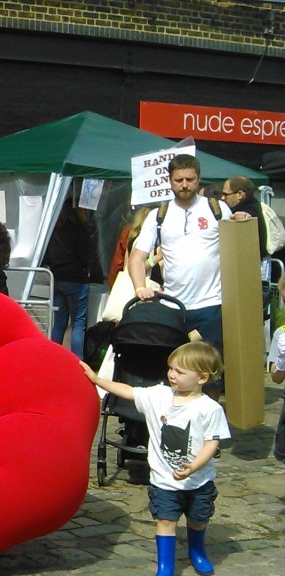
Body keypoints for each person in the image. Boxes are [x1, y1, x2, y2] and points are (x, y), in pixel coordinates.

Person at [80, 341, 230, 576]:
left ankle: (197, 551)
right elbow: (129, 391)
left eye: (180, 371)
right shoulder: (159, 396)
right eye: (171, 368)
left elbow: (212, 443)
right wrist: (98, 380)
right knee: (165, 520)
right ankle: (165, 566)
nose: (172, 374)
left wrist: (194, 466)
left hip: (199, 480)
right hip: (164, 480)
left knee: (198, 519)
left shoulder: (209, 409)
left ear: (202, 378)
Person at [129, 154, 244, 402]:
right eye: (178, 180)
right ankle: (176, 416)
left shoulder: (216, 208)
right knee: (174, 371)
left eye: (189, 179)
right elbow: (137, 257)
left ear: (199, 178)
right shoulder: (158, 215)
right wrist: (140, 287)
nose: (184, 185)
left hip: (211, 304)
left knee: (210, 372)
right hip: (173, 306)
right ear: (169, 181)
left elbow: (238, 243)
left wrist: (242, 221)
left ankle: (208, 418)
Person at [44, 201, 96, 359]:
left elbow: (46, 257)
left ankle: (52, 357)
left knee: (59, 322)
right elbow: (87, 256)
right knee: (78, 323)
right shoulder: (80, 231)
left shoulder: (54, 231)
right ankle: (77, 361)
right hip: (76, 280)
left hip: (57, 278)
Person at [221, 175, 269, 260]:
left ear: (240, 194)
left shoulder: (245, 214)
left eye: (226, 194)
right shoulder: (254, 206)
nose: (222, 198)